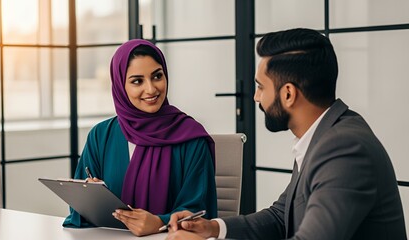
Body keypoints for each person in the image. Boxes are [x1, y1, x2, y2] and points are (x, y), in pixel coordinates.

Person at [166, 28, 407, 240]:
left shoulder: (344, 148)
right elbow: (281, 216)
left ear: (288, 94)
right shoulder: (323, 134)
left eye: (261, 87)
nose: (256, 97)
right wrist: (213, 228)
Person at [63, 39, 218, 236]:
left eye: (157, 76)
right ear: (120, 85)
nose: (151, 89)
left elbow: (198, 213)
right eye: (137, 81)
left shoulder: (191, 138)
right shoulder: (101, 135)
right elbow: (78, 212)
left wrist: (158, 223)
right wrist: (91, 198)